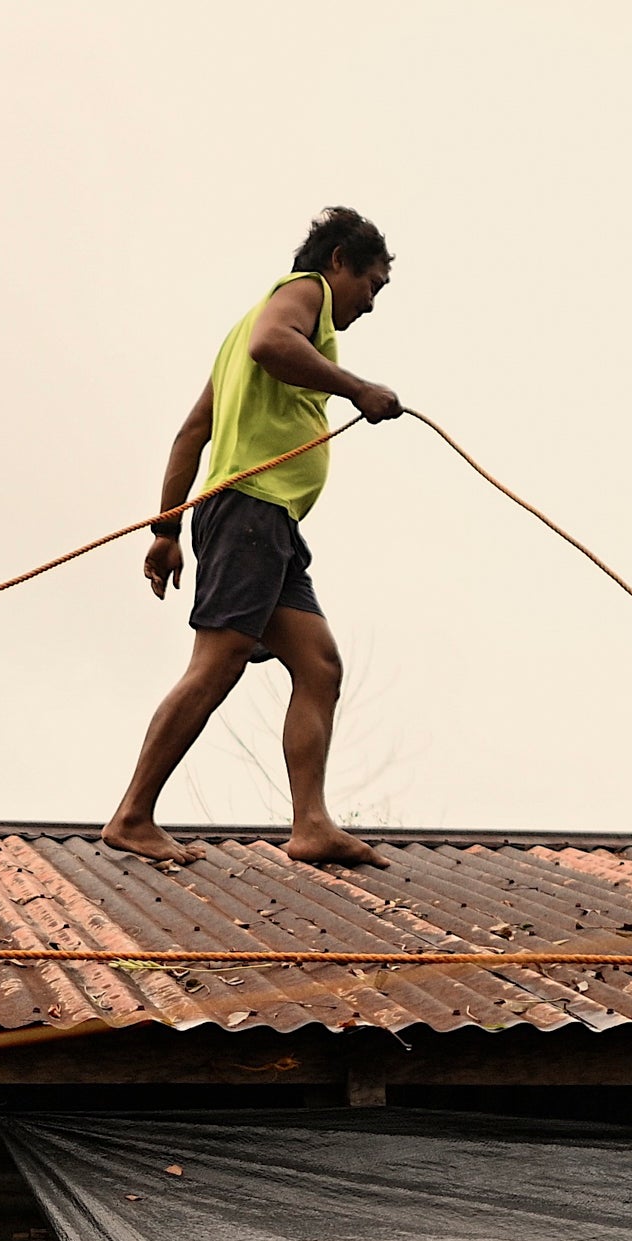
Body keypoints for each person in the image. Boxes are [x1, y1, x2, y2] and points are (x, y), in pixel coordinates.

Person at [102, 206, 402, 868]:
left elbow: (192, 432)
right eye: (373, 284)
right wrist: (355, 390)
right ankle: (132, 815)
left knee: (319, 665)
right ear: (339, 264)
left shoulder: (241, 332)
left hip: (266, 523)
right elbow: (275, 344)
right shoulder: (302, 298)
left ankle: (311, 825)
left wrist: (166, 529)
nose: (372, 303)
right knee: (219, 661)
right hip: (249, 512)